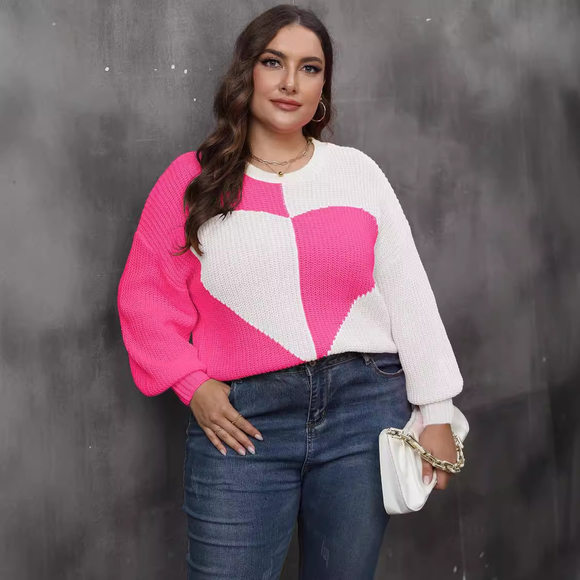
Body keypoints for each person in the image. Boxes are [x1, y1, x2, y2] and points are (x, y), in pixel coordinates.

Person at [117, 4, 464, 579]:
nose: (290, 83)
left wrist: (438, 412)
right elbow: (145, 299)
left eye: (310, 68)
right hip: (243, 423)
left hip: (362, 411)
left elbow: (408, 293)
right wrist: (192, 384)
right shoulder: (191, 180)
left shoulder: (357, 173)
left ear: (323, 87)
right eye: (273, 62)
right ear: (246, 71)